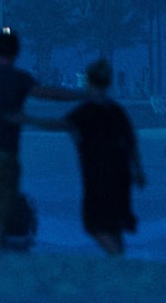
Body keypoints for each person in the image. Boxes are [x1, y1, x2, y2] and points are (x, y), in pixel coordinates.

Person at [0, 29, 76, 245]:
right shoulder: (19, 79)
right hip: (3, 154)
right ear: (16, 52)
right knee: (0, 217)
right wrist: (82, 95)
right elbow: (48, 94)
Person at [21, 58, 145, 255]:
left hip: (98, 174)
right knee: (113, 222)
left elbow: (60, 125)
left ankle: (117, 257)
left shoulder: (86, 111)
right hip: (121, 174)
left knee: (93, 225)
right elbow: (131, 141)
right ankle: (119, 258)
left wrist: (27, 120)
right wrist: (138, 170)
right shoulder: (115, 110)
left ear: (89, 82)